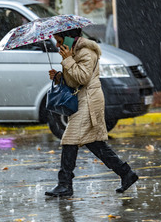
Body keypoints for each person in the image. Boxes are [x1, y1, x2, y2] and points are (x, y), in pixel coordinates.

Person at [46, 28, 139, 197]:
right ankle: (126, 174)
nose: (58, 45)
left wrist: (67, 61)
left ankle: (65, 185)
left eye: (60, 41)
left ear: (68, 39)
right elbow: (74, 81)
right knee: (95, 143)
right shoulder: (73, 51)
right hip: (83, 99)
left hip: (89, 101)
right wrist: (59, 77)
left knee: (70, 139)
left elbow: (83, 78)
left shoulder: (86, 51)